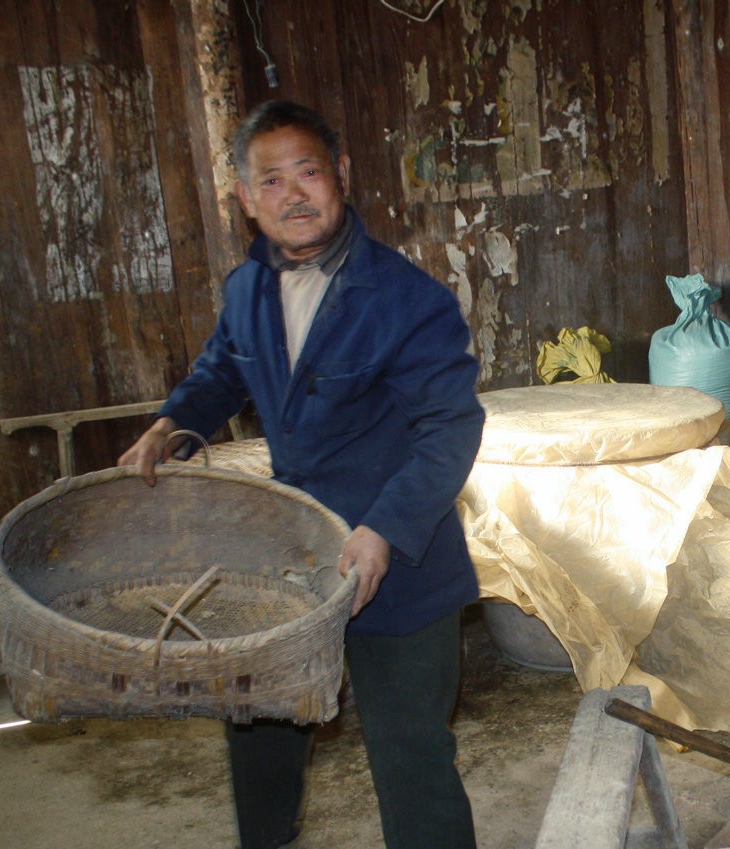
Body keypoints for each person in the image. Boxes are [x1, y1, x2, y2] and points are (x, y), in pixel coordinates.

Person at [118, 100, 484, 849]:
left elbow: (449, 426)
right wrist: (171, 425)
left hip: (399, 561)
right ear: (247, 201)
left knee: (409, 751)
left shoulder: (407, 300)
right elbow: (222, 371)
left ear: (341, 176)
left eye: (308, 172)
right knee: (258, 735)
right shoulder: (245, 289)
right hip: (285, 561)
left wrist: (383, 529)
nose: (293, 194)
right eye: (271, 180)